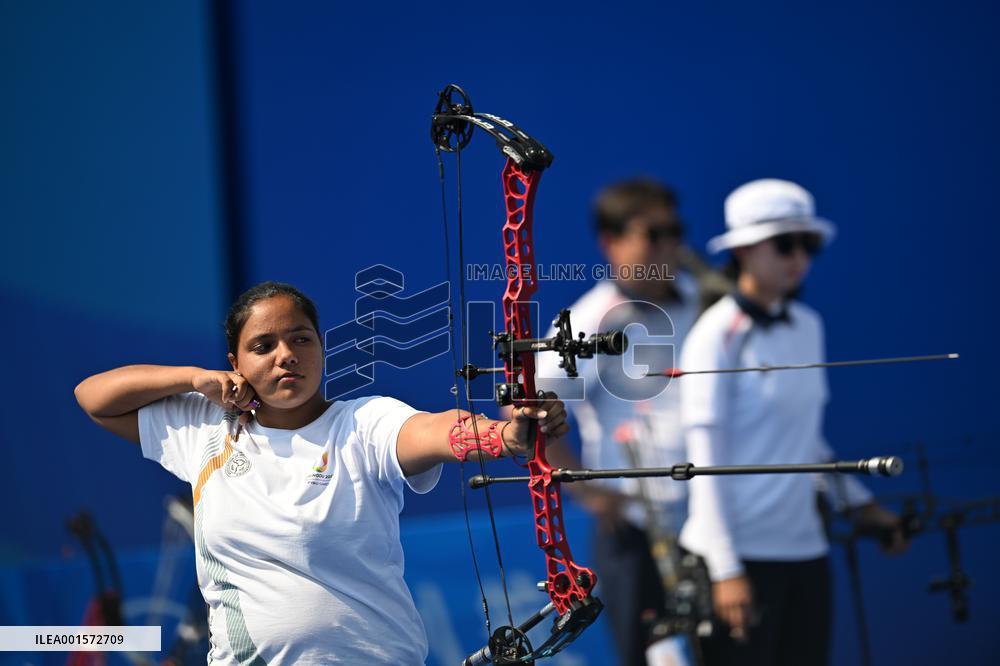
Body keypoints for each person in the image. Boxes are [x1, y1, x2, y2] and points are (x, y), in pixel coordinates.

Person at [74, 281, 569, 665]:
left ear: (321, 347)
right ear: (235, 363)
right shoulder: (205, 428)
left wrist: (506, 437)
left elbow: (436, 431)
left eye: (300, 339)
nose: (285, 354)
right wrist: (193, 379)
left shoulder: (364, 423)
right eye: (263, 346)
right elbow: (94, 398)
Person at [678, 179, 904, 666]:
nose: (799, 257)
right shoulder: (714, 337)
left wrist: (862, 506)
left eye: (809, 244)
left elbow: (806, 442)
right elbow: (702, 465)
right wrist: (725, 569)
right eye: (784, 243)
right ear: (743, 249)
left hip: (806, 551)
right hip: (737, 561)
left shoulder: (809, 326)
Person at [534, 178, 718, 665]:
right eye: (653, 234)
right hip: (638, 534)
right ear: (611, 243)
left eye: (675, 231)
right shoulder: (593, 319)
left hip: (712, 521)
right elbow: (526, 407)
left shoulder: (704, 301)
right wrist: (588, 491)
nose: (669, 245)